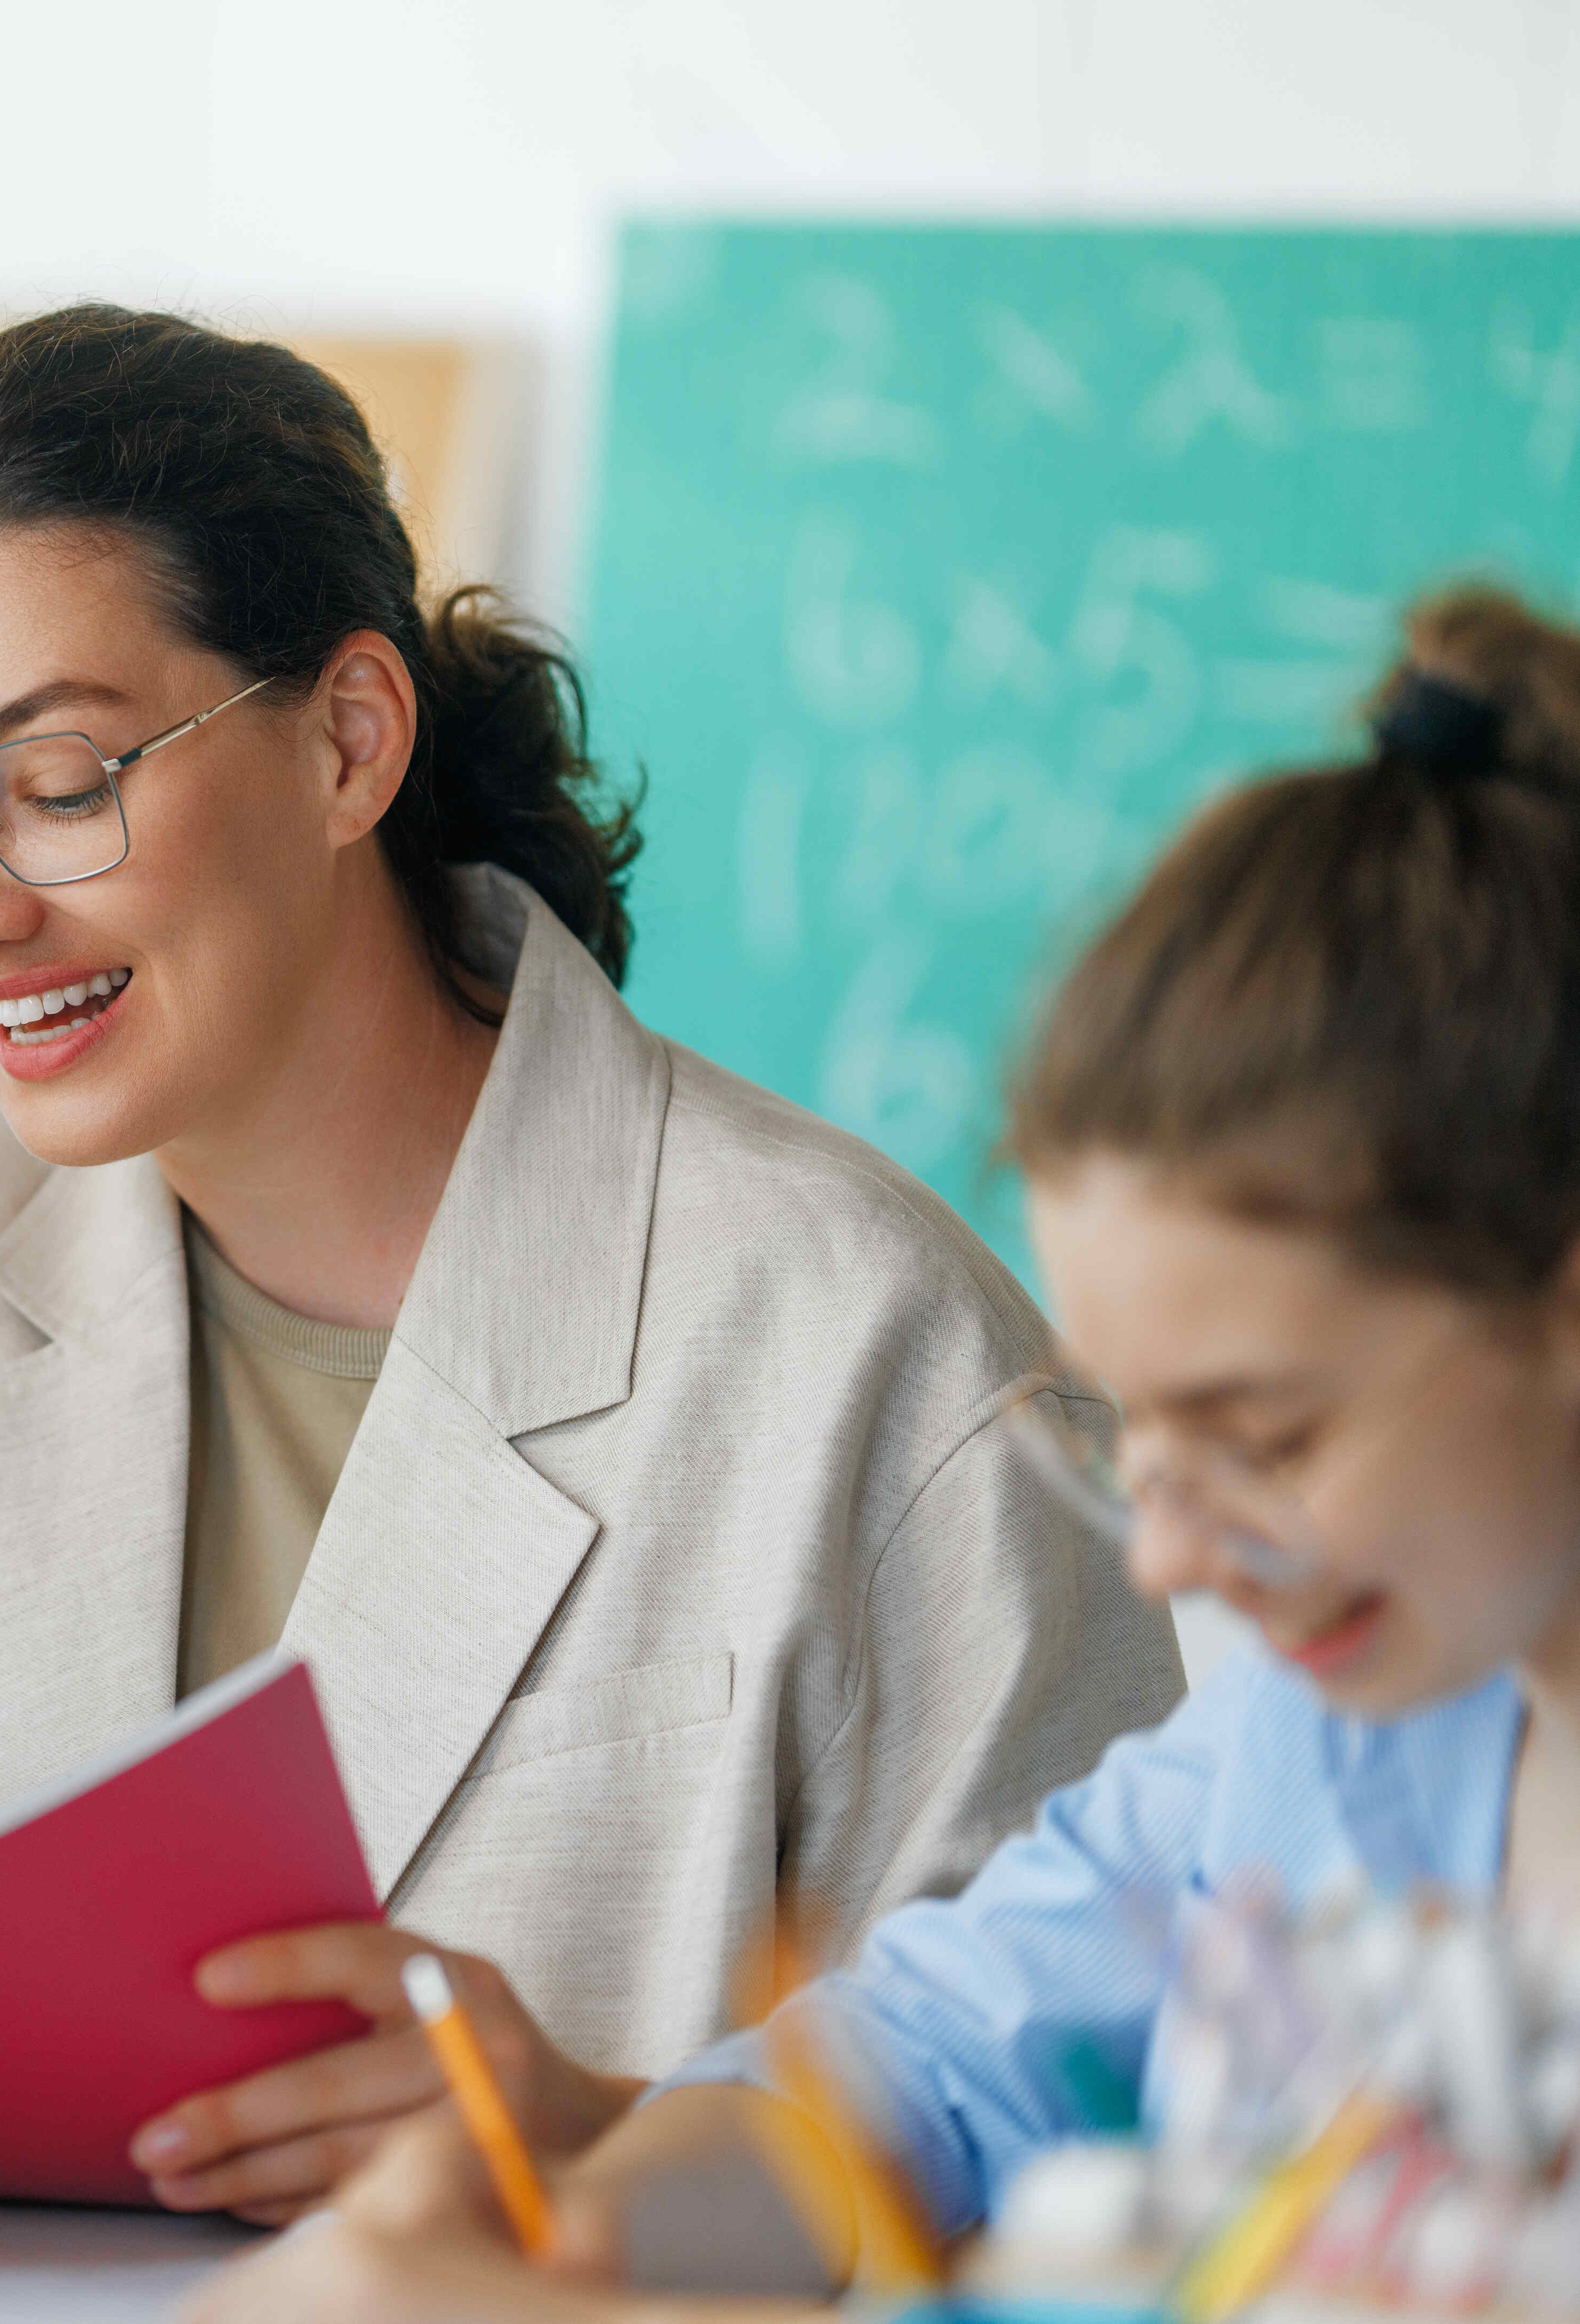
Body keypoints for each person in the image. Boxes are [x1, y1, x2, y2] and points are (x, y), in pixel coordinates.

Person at [0, 304, 1185, 2221]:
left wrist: (589, 2143)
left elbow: (1116, 2130)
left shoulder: (865, 1347)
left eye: (54, 786)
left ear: (347, 742)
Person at [199, 583, 1580, 2318]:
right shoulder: (1300, 1752)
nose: (1164, 1556)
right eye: (1141, 1440)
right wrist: (589, 2232)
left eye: (1269, 1434)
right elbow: (912, 2095)